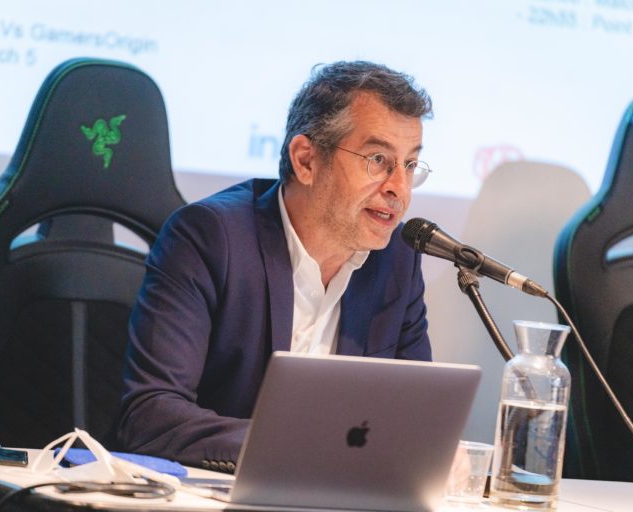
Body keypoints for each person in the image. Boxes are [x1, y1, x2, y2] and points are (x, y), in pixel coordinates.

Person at [115, 61, 434, 470]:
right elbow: (149, 417)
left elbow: (414, 420)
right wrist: (306, 447)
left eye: (410, 165)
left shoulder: (398, 261)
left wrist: (434, 451)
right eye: (377, 159)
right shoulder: (211, 238)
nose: (399, 189)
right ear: (305, 160)